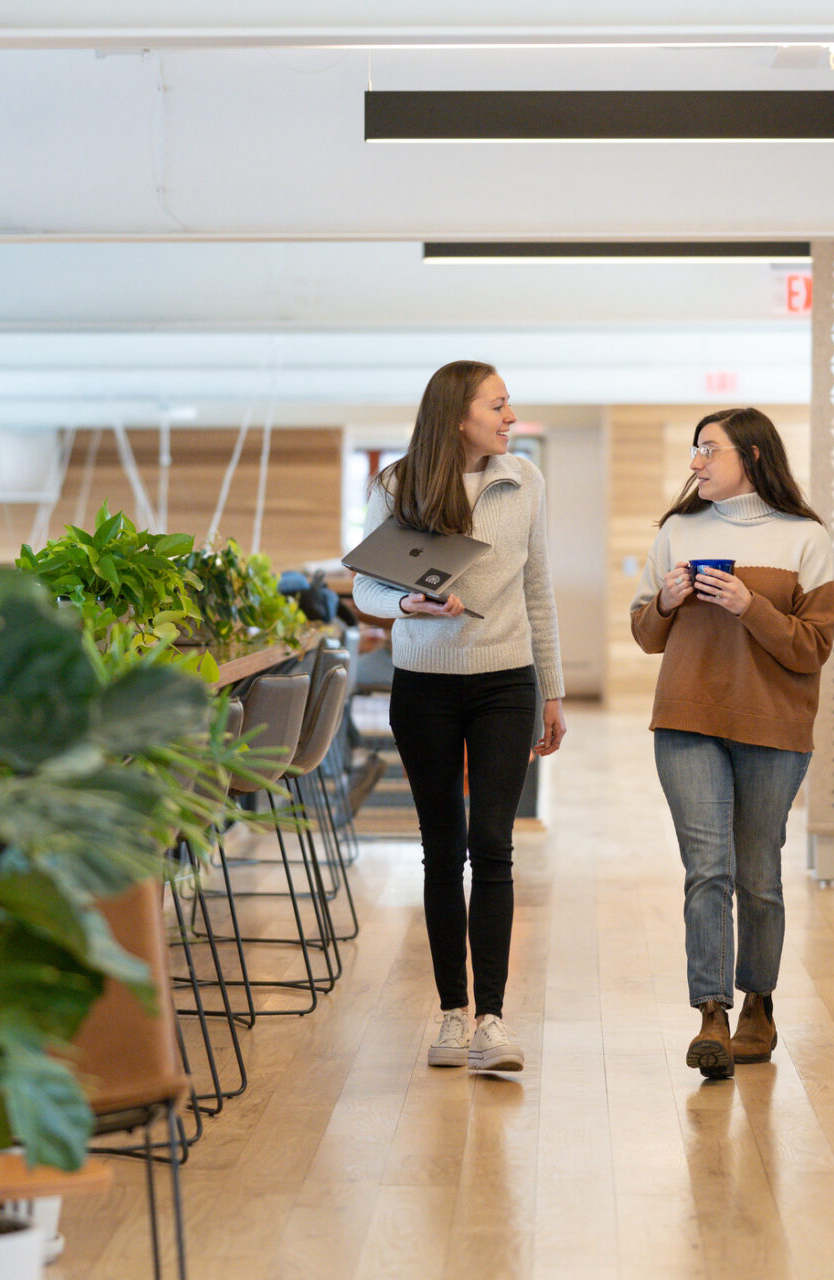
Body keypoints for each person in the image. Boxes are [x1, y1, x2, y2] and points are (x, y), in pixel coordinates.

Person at [352, 360, 566, 1072]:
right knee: (441, 849)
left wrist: (554, 691)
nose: (510, 416)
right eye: (499, 404)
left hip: (506, 681)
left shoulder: (524, 479)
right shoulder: (395, 484)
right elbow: (368, 590)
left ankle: (492, 1022)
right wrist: (406, 605)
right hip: (425, 684)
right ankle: (449, 1016)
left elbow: (538, 590)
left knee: (494, 845)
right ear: (459, 413)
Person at [629, 407, 834, 1079]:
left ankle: (759, 1003)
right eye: (694, 451)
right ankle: (711, 1014)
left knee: (758, 876)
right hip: (687, 720)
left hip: (774, 727)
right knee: (707, 870)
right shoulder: (677, 531)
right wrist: (662, 601)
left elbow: (813, 648)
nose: (695, 463)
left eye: (706, 450)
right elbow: (644, 634)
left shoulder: (805, 538)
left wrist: (752, 606)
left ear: (749, 454)